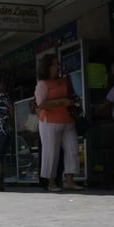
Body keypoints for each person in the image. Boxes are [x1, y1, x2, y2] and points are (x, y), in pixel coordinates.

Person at [34, 53, 84, 192]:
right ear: (47, 67)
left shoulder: (64, 81)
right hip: (49, 121)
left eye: (58, 64)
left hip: (67, 120)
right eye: (55, 64)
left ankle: (69, 179)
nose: (58, 67)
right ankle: (50, 182)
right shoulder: (42, 84)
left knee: (73, 149)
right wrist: (61, 102)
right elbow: (41, 104)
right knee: (51, 152)